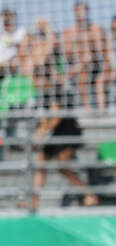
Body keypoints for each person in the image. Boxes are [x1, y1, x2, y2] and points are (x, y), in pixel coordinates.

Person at [30, 55, 95, 209]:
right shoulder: (43, 95)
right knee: (41, 163)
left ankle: (90, 195)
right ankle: (34, 200)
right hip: (56, 134)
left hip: (68, 132)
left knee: (63, 167)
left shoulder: (56, 90)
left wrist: (40, 134)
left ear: (42, 78)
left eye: (35, 79)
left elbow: (55, 118)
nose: (33, 82)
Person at [61, 0, 107, 108]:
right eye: (78, 11)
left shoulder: (95, 29)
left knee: (88, 57)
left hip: (96, 66)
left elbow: (100, 52)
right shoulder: (69, 32)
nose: (81, 14)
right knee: (83, 73)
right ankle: (88, 109)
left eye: (83, 11)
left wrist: (90, 41)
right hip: (78, 69)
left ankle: (101, 110)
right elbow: (67, 55)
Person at [1, 8, 26, 78]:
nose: (8, 21)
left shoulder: (20, 32)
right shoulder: (1, 32)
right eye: (6, 19)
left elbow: (22, 52)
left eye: (10, 18)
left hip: (12, 64)